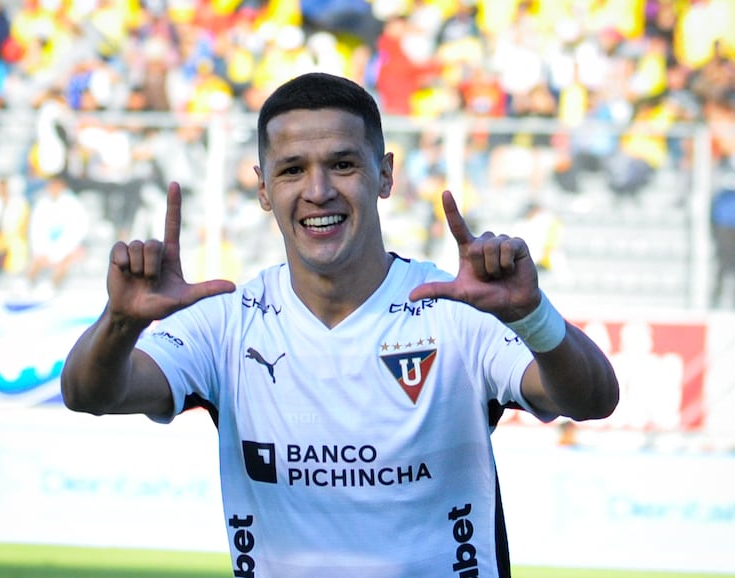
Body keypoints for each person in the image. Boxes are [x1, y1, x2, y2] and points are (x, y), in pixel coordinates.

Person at [61, 72, 619, 577]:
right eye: (292, 170)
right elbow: (88, 393)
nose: (319, 190)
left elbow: (594, 398)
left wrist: (532, 317)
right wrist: (119, 324)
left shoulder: (457, 312)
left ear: (384, 174)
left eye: (343, 164)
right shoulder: (226, 322)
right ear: (262, 188)